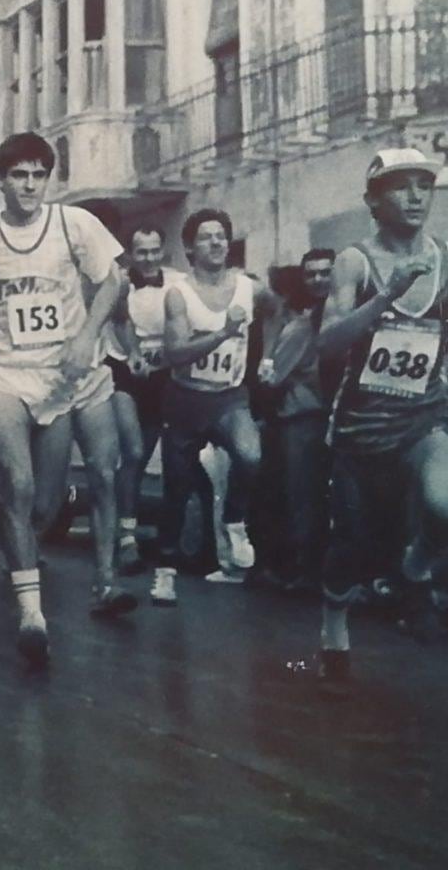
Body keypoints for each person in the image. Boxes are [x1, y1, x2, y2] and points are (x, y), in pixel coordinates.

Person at [0, 133, 134, 667]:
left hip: (61, 376)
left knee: (45, 506)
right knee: (20, 486)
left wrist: (84, 337)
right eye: (18, 175)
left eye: (38, 175)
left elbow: (112, 281)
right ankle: (32, 614)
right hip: (3, 372)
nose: (28, 185)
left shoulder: (74, 225)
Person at [313, 148, 448, 698]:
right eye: (400, 187)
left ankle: (417, 569)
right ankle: (334, 625)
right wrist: (388, 295)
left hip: (421, 421)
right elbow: (327, 342)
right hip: (361, 429)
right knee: (352, 546)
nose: (414, 197)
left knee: (446, 506)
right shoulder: (355, 262)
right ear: (373, 201)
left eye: (423, 187)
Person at [153, 208, 279, 604]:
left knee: (251, 455)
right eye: (206, 237)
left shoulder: (249, 288)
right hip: (186, 399)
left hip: (228, 394)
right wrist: (224, 331)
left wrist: (268, 357)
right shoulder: (179, 294)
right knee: (177, 487)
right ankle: (165, 572)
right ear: (190, 247)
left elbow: (276, 310)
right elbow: (175, 354)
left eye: (222, 236)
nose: (216, 242)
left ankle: (235, 520)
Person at [257, 249, 337, 593]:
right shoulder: (301, 328)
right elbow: (272, 379)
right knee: (304, 497)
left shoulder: (346, 318)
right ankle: (304, 571)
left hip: (340, 419)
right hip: (304, 419)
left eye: (325, 272)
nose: (319, 280)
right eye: (311, 274)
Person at [106, 226, 183, 575]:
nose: (149, 258)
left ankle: (136, 528)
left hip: (162, 376)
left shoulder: (179, 282)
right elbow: (119, 321)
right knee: (133, 451)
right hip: (124, 371)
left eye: (154, 251)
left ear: (162, 251)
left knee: (149, 455)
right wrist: (134, 354)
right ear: (131, 254)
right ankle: (125, 539)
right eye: (142, 252)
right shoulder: (119, 283)